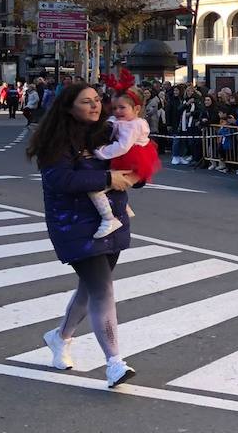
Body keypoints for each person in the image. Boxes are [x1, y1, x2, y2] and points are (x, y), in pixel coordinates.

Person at [28, 83, 140, 388]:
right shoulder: (56, 141)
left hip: (110, 219)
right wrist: (107, 177)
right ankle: (114, 363)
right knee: (103, 290)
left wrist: (137, 175)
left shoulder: (106, 132)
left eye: (97, 101)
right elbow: (60, 179)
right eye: (86, 102)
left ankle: (59, 337)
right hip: (73, 224)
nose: (95, 106)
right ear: (68, 107)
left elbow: (126, 165)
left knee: (90, 289)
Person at [88, 81, 160, 238]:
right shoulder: (130, 121)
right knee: (114, 183)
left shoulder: (132, 126)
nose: (117, 111)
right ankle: (125, 208)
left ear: (137, 109)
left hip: (133, 160)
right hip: (133, 158)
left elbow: (123, 146)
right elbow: (115, 124)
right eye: (114, 108)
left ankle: (109, 218)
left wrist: (102, 152)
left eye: (122, 108)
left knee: (96, 190)